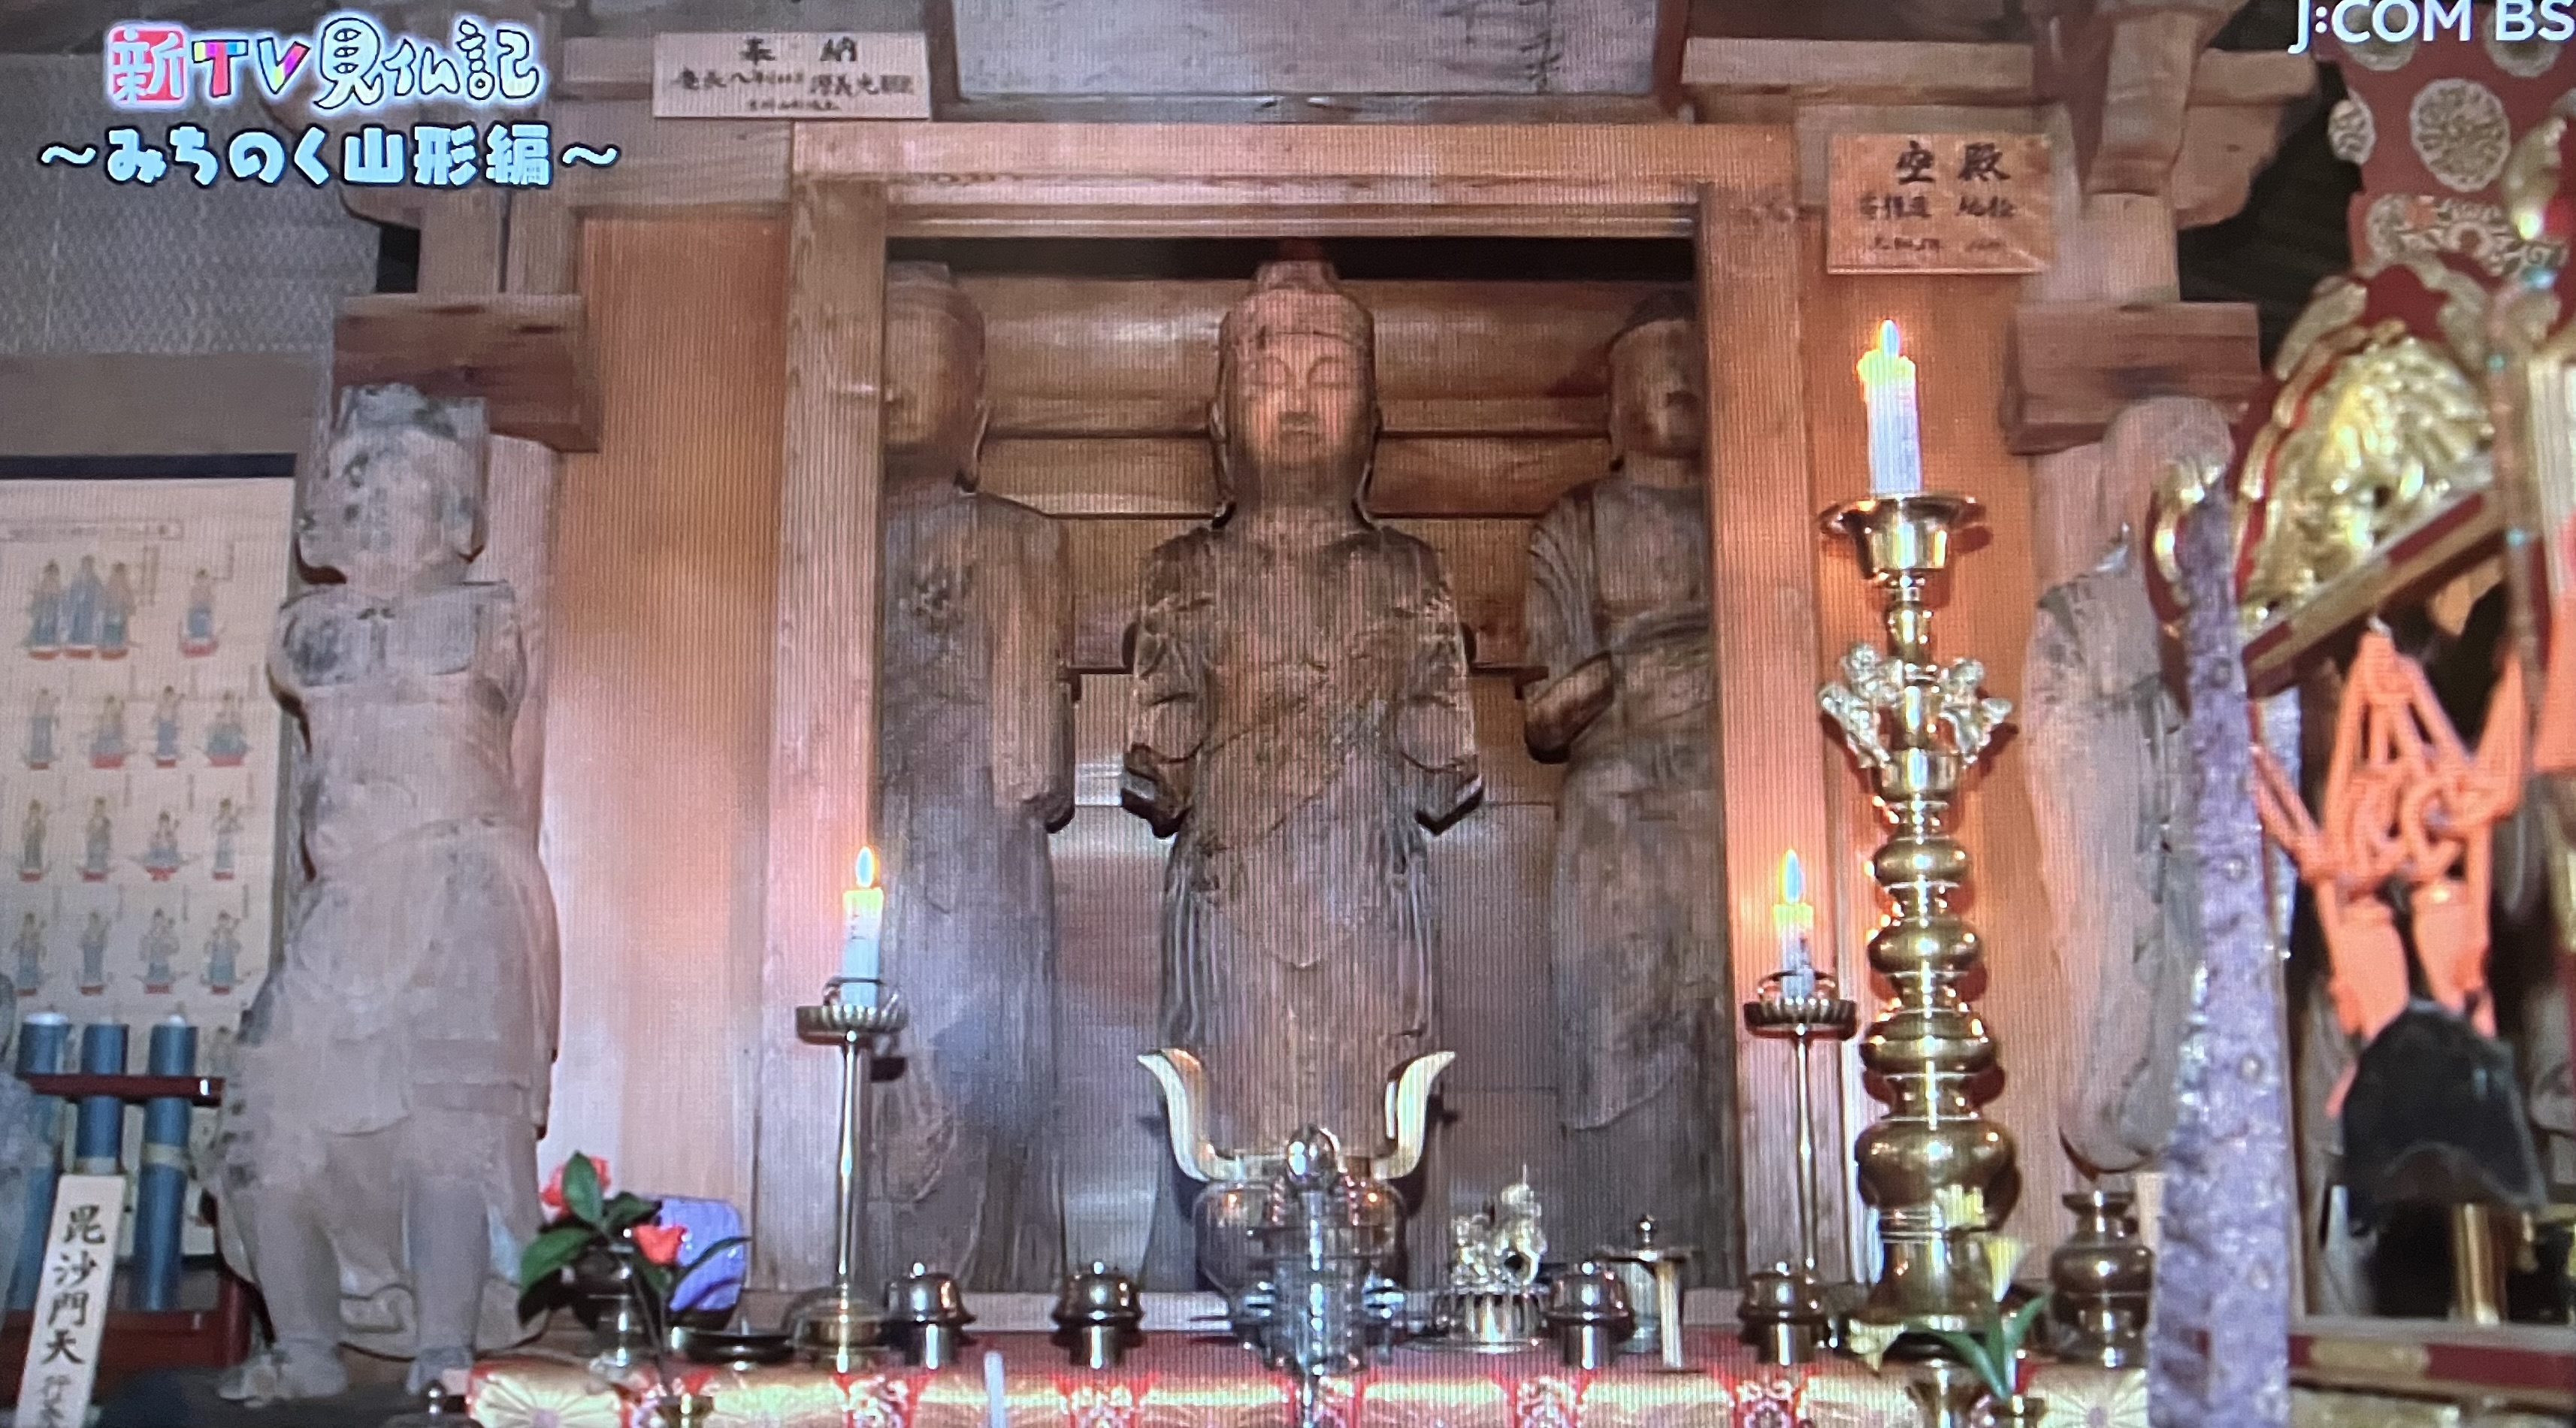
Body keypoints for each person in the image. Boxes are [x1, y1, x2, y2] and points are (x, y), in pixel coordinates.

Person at [216, 385, 558, 1401]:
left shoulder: (480, 619)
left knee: (448, 1122)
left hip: (458, 884)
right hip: (349, 895)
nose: (371, 498)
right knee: (269, 1116)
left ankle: (445, 1349)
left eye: (401, 477)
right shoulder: (307, 630)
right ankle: (307, 1349)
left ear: (456, 512)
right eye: (352, 478)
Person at [1123, 260, 1480, 1166]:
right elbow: (1160, 772)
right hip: (1233, 901)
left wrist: (1376, 681)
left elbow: (1443, 772)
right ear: (1218, 419)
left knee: (1370, 1144)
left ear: (1370, 423)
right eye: (1268, 379)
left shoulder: (1409, 572)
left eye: (1326, 380)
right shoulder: (1181, 571)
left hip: (1367, 894)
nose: (1296, 403)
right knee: (1231, 1133)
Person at [866, 264, 1075, 1290]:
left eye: (922, 357)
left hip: (978, 873)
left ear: (976, 408)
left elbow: (1038, 771)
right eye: (877, 355)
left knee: (971, 1104)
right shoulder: (822, 547)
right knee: (862, 1117)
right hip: (856, 859)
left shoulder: (1020, 542)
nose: (894, 380)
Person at [1519, 292, 1734, 1266]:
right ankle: (1615, 1279)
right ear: (1612, 408)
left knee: (1733, 1060)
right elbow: (1545, 713)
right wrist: (1641, 671)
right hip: (1618, 827)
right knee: (1622, 1065)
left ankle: (1739, 1277)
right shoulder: (1577, 525)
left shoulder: (1751, 517)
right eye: (1651, 371)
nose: (1675, 384)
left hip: (1731, 821)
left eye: (1691, 365)